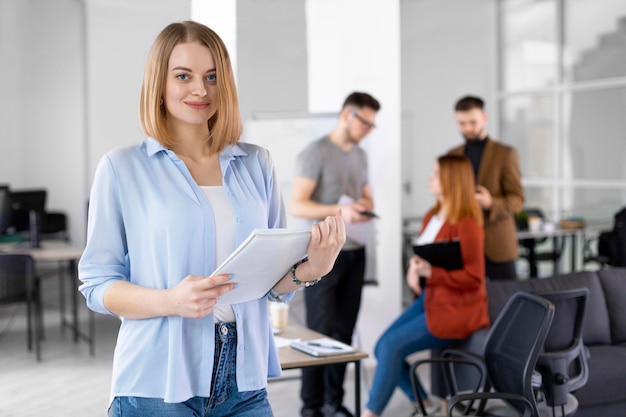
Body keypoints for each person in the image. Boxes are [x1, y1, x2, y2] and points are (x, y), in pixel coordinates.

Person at [78, 21, 346, 417]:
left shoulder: (257, 164)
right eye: (183, 76)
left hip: (244, 381)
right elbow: (97, 285)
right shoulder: (122, 168)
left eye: (212, 77)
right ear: (159, 83)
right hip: (157, 382)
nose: (200, 90)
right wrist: (169, 300)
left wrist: (312, 268)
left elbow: (271, 285)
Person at [361, 154, 489, 417]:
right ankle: (425, 405)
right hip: (430, 298)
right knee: (381, 347)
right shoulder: (432, 215)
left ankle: (370, 413)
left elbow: (475, 278)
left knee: (389, 347)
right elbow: (425, 255)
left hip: (457, 308)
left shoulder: (468, 223)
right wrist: (414, 270)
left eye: (436, 174)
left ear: (452, 181)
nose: (429, 178)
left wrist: (433, 272)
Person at [291, 92, 380, 417]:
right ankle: (310, 406)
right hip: (324, 253)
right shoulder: (315, 153)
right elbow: (298, 204)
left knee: (343, 330)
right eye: (365, 122)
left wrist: (363, 206)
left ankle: (334, 402)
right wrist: (338, 209)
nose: (368, 129)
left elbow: (366, 195)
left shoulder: (361, 155)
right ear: (347, 115)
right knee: (319, 329)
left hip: (355, 250)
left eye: (373, 125)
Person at [447, 95, 524, 280]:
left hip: (497, 245)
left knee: (506, 300)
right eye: (461, 123)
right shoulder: (453, 155)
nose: (467, 128)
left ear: (485, 117)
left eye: (472, 122)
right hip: (463, 243)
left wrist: (491, 203)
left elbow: (518, 199)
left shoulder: (505, 154)